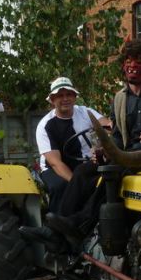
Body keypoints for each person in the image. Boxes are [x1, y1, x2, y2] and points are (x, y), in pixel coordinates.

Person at [31, 39, 141, 245]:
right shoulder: (120, 98)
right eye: (128, 61)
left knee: (113, 173)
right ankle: (58, 228)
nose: (132, 66)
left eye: (139, 61)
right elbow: (117, 134)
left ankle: (80, 224)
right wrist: (104, 149)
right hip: (127, 154)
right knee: (83, 171)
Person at [35, 76, 109, 213]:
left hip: (85, 164)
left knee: (109, 181)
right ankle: (56, 225)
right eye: (60, 96)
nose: (65, 99)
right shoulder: (45, 126)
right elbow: (55, 163)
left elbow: (108, 125)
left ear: (75, 97)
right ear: (52, 100)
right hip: (55, 168)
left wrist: (102, 144)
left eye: (69, 94)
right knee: (61, 187)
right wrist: (77, 184)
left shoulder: (86, 112)